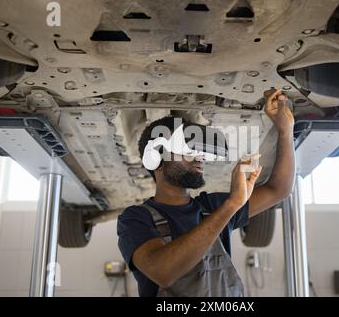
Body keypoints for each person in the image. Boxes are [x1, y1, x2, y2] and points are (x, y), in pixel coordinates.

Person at [117, 89, 296, 297]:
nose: (199, 157)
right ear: (156, 158)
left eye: (200, 149)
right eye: (188, 149)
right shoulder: (135, 219)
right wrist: (232, 205)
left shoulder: (211, 208)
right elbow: (163, 272)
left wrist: (285, 130)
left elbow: (278, 190)